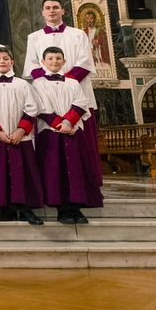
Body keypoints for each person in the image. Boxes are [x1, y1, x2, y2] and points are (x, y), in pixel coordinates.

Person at [22, 0, 101, 189]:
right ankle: (52, 185)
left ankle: (89, 183)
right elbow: (32, 66)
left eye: (55, 7)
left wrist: (66, 81)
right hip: (48, 97)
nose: (52, 11)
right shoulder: (34, 37)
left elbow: (84, 63)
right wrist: (50, 79)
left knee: (84, 143)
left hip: (77, 94)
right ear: (42, 12)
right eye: (47, 8)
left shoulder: (78, 34)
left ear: (63, 11)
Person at [30, 46, 103, 224]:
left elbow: (80, 102)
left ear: (63, 61)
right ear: (43, 62)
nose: (54, 61)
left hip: (72, 131)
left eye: (58, 58)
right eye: (50, 59)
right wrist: (59, 124)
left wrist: (69, 122)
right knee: (55, 170)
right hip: (50, 133)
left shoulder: (73, 83)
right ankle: (62, 209)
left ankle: (76, 207)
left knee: (75, 171)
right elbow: (40, 106)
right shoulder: (37, 84)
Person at [0, 47, 44, 225]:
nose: (2, 61)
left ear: (12, 62)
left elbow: (31, 108)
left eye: (6, 58)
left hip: (20, 137)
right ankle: (4, 209)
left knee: (23, 172)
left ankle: (25, 209)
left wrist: (21, 130)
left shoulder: (22, 84)